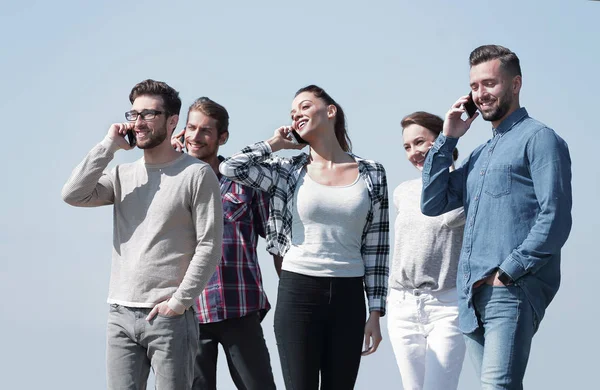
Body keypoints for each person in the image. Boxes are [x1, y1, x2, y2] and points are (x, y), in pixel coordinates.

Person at [421, 45, 572, 389]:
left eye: (489, 84)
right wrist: (447, 138)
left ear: (515, 84)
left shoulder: (540, 139)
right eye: (474, 86)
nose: (480, 94)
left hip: (510, 289)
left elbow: (556, 216)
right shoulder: (478, 155)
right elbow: (432, 202)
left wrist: (509, 271)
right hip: (471, 297)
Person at [219, 85, 390, 390]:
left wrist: (375, 311)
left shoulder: (373, 173)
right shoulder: (286, 170)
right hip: (298, 291)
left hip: (349, 295)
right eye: (293, 112)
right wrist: (274, 143)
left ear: (330, 111)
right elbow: (231, 167)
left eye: (305, 106)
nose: (297, 114)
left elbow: (377, 247)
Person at [61, 79, 224, 389]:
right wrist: (108, 146)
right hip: (119, 315)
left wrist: (179, 302)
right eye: (134, 114)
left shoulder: (196, 174)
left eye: (148, 114)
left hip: (170, 317)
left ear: (172, 120)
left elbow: (209, 244)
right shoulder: (122, 175)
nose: (137, 122)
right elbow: (73, 194)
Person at [171, 97, 277, 390]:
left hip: (239, 305)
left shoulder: (244, 182)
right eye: (191, 128)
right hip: (188, 311)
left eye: (205, 130)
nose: (195, 136)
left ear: (222, 137)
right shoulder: (170, 181)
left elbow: (277, 239)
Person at [388, 111, 466, 390]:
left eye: (420, 142)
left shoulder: (468, 185)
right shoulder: (403, 192)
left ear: (442, 139)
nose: (414, 152)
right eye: (407, 147)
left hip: (446, 305)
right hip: (402, 303)